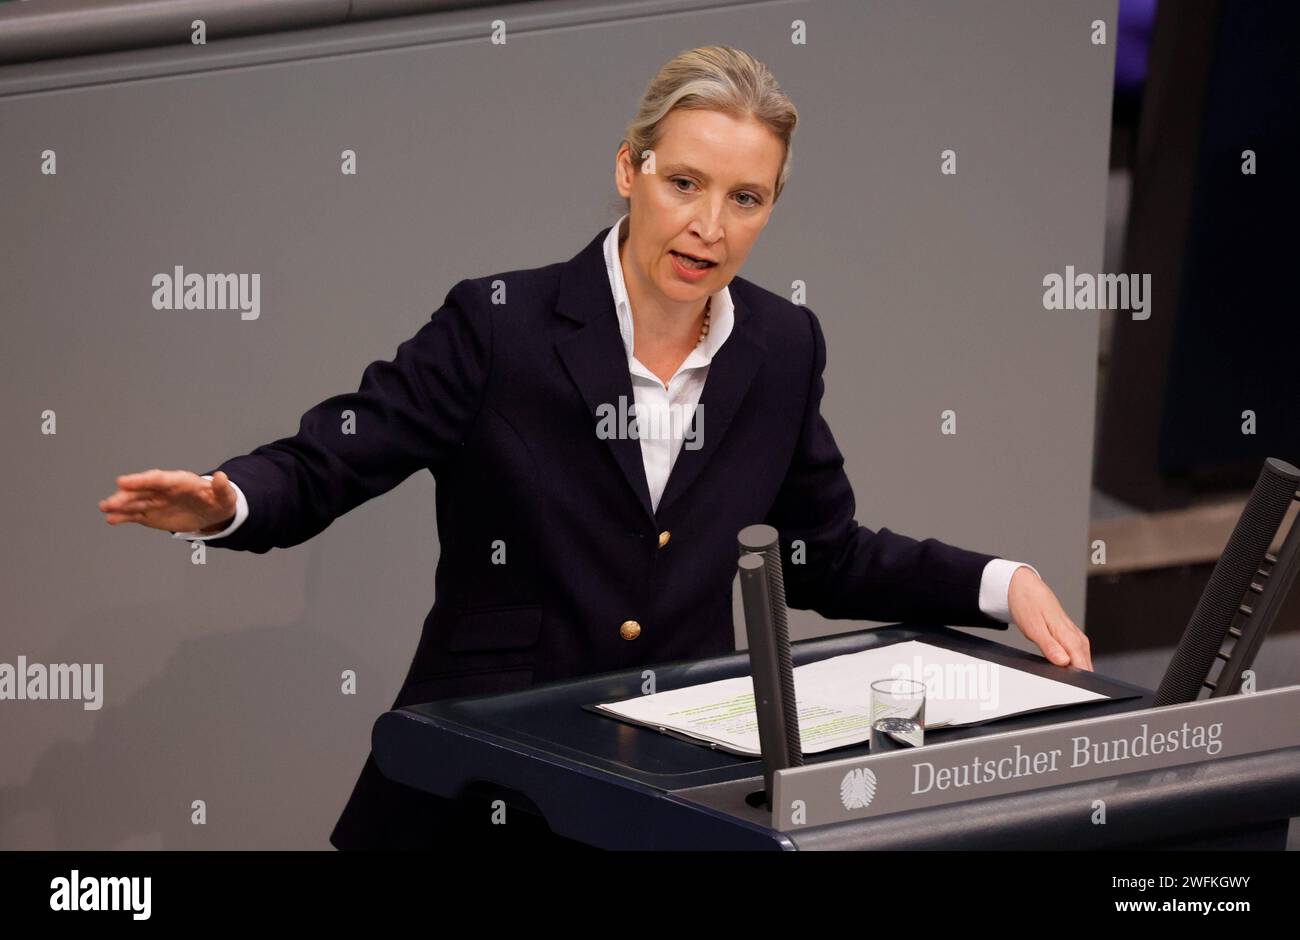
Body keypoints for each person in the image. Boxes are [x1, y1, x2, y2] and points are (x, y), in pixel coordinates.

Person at [99, 45, 1091, 850]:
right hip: (485, 782)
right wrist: (227, 500)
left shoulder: (782, 347)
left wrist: (1000, 583)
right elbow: (336, 452)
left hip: (666, 798)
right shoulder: (503, 324)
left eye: (745, 198)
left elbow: (819, 553)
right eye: (685, 183)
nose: (708, 225)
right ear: (630, 169)